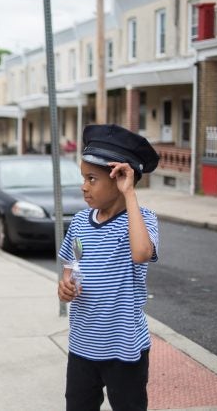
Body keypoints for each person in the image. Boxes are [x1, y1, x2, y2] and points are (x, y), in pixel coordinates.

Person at [57, 124, 160, 411]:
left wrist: (130, 195)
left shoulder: (143, 220)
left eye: (92, 179)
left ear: (120, 180)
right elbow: (72, 264)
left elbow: (141, 253)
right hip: (82, 345)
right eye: (83, 178)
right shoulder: (79, 222)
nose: (84, 186)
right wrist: (65, 287)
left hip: (124, 349)